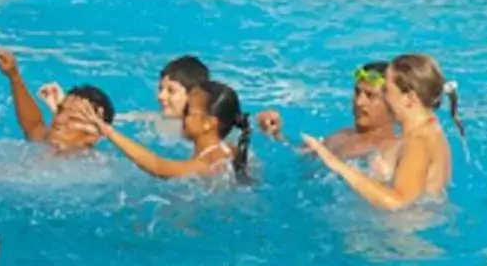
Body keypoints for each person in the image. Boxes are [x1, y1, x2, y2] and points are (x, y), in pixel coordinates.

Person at [294, 54, 460, 210]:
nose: (385, 99)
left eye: (386, 91)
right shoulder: (428, 130)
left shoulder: (418, 141)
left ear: (409, 97)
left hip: (401, 238)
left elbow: (398, 202)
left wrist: (335, 164)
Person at [0, 48, 114, 176]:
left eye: (72, 117)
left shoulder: (93, 169)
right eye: (60, 110)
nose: (59, 119)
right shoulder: (50, 143)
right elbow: (33, 125)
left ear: (93, 135)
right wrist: (14, 76)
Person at [95, 79, 252, 183]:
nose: (181, 114)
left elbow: (157, 167)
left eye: (187, 110)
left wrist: (109, 132)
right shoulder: (229, 149)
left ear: (208, 123)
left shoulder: (210, 162)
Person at [257, 62, 400, 172]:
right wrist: (276, 134)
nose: (359, 102)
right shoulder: (342, 135)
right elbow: (298, 152)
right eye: (357, 92)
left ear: (393, 104)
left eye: (370, 96)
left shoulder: (393, 150)